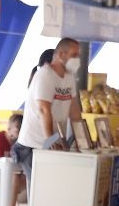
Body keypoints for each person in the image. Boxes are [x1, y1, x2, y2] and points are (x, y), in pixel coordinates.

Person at [15, 39, 82, 175]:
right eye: (74, 55)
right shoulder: (45, 75)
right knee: (39, 189)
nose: (77, 60)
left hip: (53, 143)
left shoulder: (69, 78)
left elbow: (75, 112)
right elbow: (43, 109)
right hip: (34, 144)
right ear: (61, 54)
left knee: (51, 188)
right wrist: (50, 140)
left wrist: (82, 139)